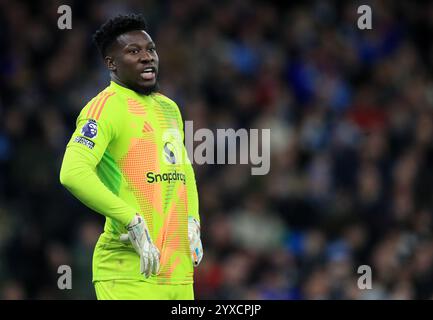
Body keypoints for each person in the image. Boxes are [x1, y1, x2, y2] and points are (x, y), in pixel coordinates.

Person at [59, 13, 203, 300]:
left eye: (150, 49)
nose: (147, 57)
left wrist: (192, 219)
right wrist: (131, 219)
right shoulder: (104, 109)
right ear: (111, 63)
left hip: (177, 273)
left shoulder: (169, 108)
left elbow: (184, 170)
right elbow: (72, 173)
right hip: (128, 270)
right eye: (134, 51)